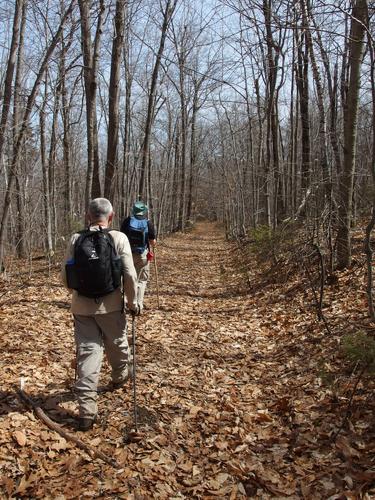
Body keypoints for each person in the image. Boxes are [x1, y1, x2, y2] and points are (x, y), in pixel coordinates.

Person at [61, 198, 139, 431]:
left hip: (82, 307)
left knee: (88, 354)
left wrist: (78, 293)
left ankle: (86, 412)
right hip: (111, 304)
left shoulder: (76, 238)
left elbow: (66, 276)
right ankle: (119, 375)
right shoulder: (118, 238)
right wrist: (133, 302)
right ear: (111, 216)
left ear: (88, 216)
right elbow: (130, 274)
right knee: (116, 343)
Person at [120, 201, 157, 312]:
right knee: (141, 280)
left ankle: (126, 303)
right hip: (142, 255)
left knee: (128, 279)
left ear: (134, 211)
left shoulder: (127, 221)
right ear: (143, 211)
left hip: (128, 254)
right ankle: (138, 306)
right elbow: (152, 241)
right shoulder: (148, 223)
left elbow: (122, 236)